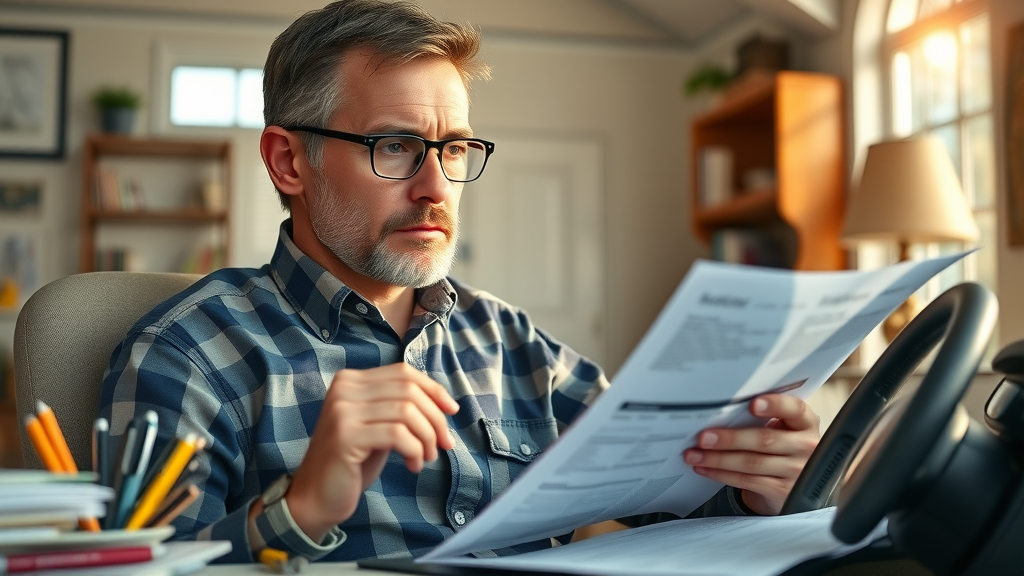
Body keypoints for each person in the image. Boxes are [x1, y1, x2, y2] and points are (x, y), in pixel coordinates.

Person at [99, 0, 820, 564]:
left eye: (454, 149)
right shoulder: (187, 355)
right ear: (290, 163)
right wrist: (300, 511)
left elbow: (668, 501)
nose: (436, 188)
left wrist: (758, 486)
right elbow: (132, 569)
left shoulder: (510, 341)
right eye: (395, 147)